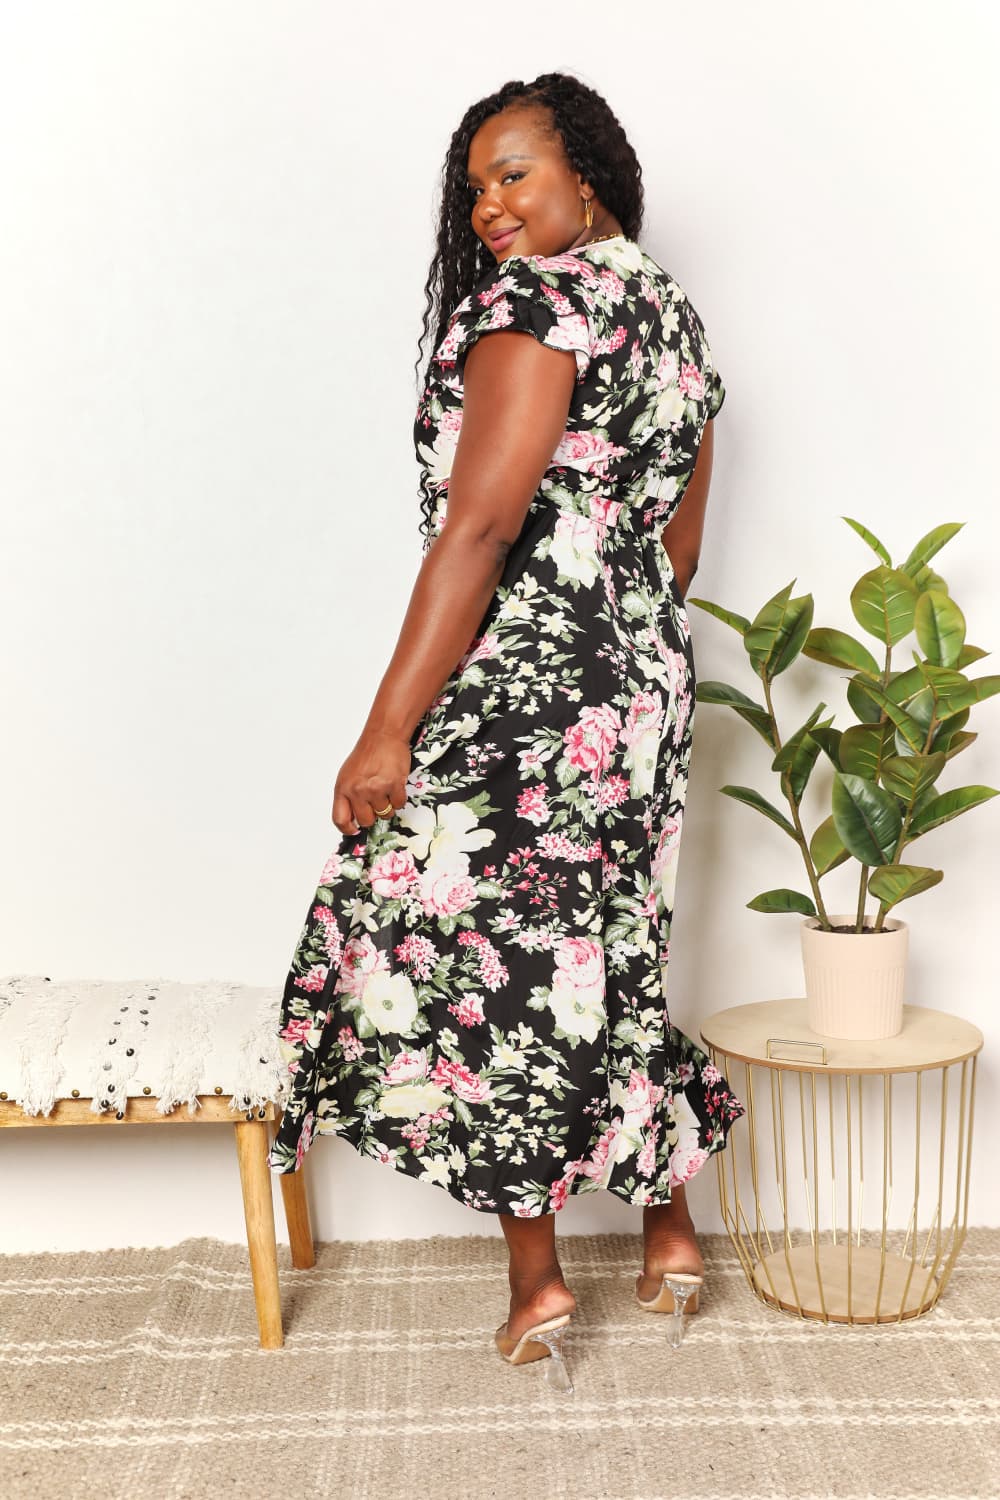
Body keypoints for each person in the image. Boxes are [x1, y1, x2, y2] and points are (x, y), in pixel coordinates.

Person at [267, 70, 746, 1389]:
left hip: (526, 687)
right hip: (642, 681)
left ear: (587, 175)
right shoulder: (672, 318)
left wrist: (386, 735)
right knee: (613, 946)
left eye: (516, 172)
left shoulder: (538, 308)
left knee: (481, 956)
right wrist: (618, 650)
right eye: (474, 184)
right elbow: (681, 547)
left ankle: (538, 1280)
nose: (489, 204)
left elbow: (479, 529)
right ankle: (670, 1238)